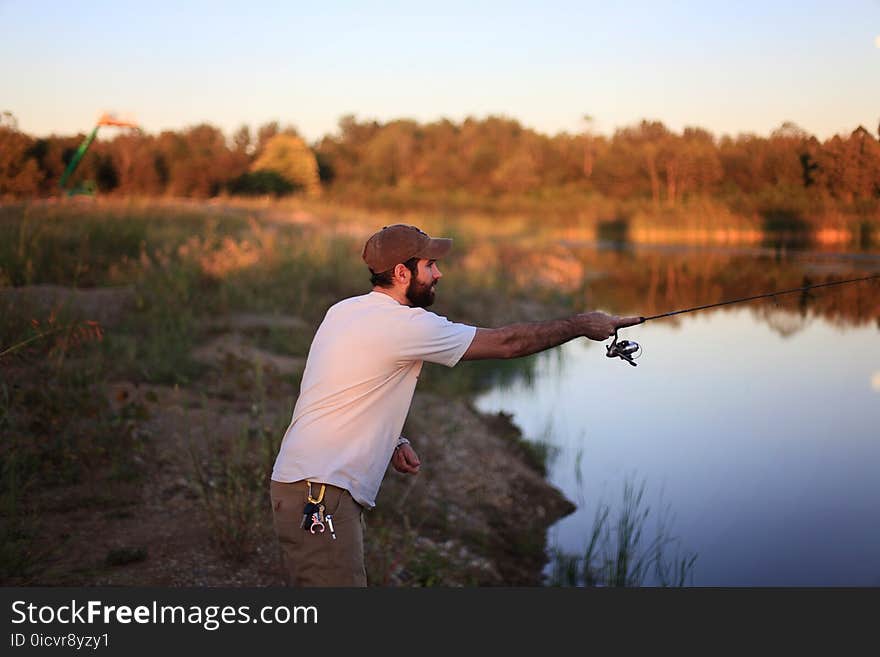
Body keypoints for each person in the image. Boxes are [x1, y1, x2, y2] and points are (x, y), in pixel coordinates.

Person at [269, 224, 642, 586]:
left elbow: (341, 386)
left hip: (307, 486)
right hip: (320, 494)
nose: (439, 273)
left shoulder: (345, 311)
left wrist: (393, 439)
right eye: (430, 265)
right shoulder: (405, 325)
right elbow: (507, 344)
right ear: (402, 272)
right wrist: (581, 324)